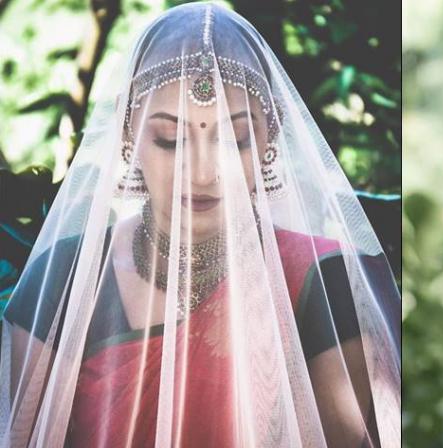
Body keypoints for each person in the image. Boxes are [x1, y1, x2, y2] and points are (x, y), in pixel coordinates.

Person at [0, 3, 400, 447]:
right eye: (170, 140)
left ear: (269, 138)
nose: (204, 172)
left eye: (235, 140)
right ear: (130, 133)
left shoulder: (326, 283)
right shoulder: (62, 280)